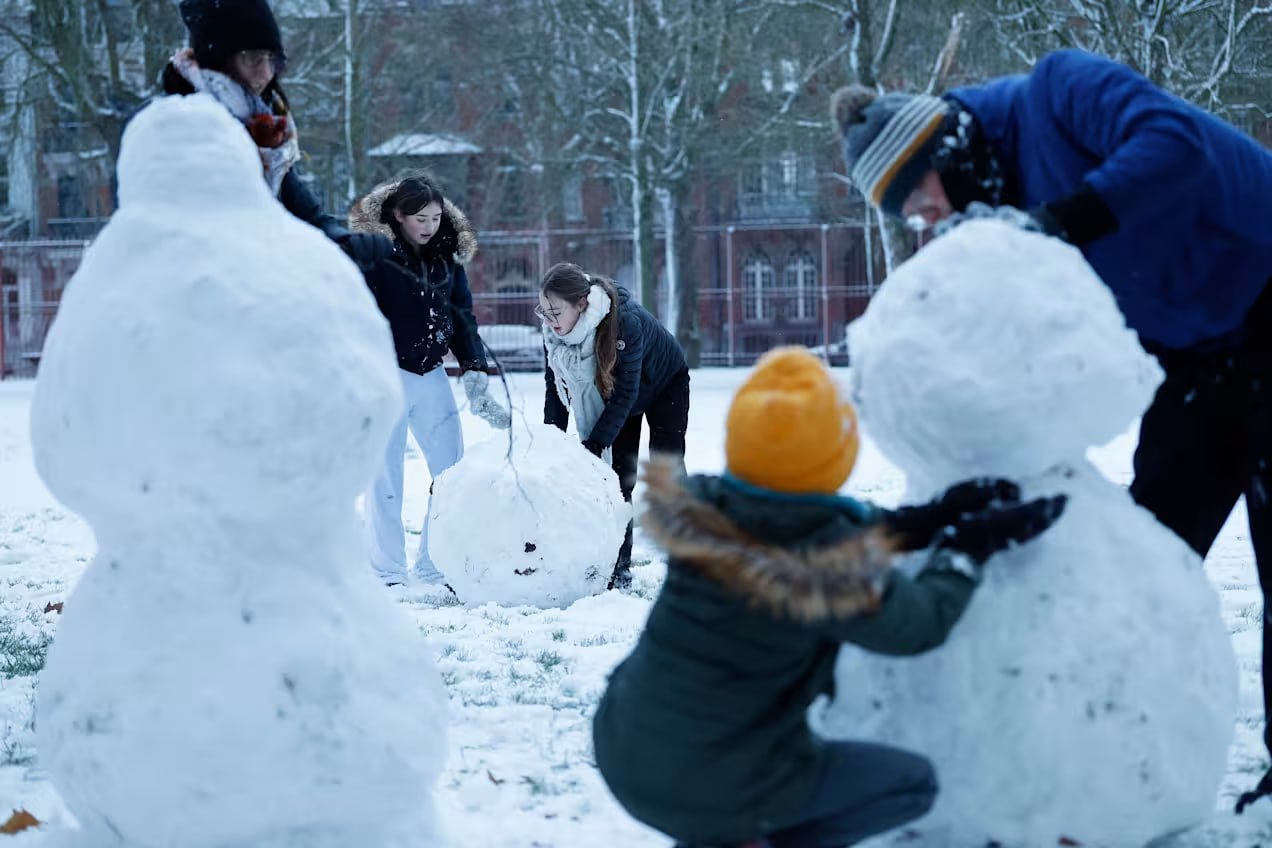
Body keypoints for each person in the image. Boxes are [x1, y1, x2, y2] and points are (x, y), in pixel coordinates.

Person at [832, 48, 1272, 811]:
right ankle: (1109, 752)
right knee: (1149, 554)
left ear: (942, 150)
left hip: (1268, 291)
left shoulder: (1059, 90)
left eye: (916, 198)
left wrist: (1056, 225)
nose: (925, 220)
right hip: (1198, 356)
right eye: (908, 216)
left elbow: (1175, 147)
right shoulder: (995, 210)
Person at [592, 347, 1067, 848]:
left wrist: (922, 521)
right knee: (910, 785)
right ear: (835, 459)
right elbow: (919, 624)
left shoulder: (709, 514)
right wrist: (966, 549)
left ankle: (719, 831)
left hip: (624, 746)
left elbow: (792, 521)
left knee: (712, 788)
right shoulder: (824, 572)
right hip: (712, 780)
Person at [342, 173, 510, 587]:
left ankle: (435, 564)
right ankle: (388, 570)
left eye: (436, 216)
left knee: (451, 472)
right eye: (420, 217)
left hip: (431, 374)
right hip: (385, 375)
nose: (430, 225)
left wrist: (474, 370)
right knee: (385, 475)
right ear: (398, 216)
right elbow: (354, 312)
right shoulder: (374, 255)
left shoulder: (447, 256)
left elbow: (461, 314)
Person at [538, 262, 689, 591]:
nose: (548, 320)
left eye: (555, 312)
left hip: (663, 384)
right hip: (621, 397)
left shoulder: (623, 323)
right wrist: (551, 439)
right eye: (544, 311)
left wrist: (595, 443)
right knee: (619, 481)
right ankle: (618, 572)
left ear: (581, 305)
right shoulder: (555, 333)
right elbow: (555, 385)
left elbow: (626, 393)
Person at [159, 0, 348, 241]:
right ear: (217, 59)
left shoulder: (266, 132)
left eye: (272, 58)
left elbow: (306, 215)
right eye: (252, 58)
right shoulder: (173, 128)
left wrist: (343, 239)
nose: (266, 73)